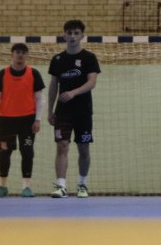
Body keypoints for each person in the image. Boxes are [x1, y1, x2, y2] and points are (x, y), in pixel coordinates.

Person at [48, 19, 101, 198]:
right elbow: (53, 86)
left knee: (83, 149)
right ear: (64, 35)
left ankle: (82, 184)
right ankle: (61, 186)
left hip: (83, 112)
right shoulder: (57, 60)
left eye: (76, 33)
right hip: (63, 111)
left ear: (82, 36)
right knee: (62, 146)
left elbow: (92, 82)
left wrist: (73, 93)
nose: (72, 36)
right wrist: (50, 110)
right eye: (69, 33)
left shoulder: (89, 58)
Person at [0, 43, 46, 197]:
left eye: (23, 52)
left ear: (26, 55)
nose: (20, 55)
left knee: (27, 151)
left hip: (27, 122)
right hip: (6, 121)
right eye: (17, 52)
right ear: (12, 55)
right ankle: (3, 186)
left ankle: (26, 187)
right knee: (4, 152)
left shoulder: (34, 73)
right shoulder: (2, 73)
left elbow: (40, 99)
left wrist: (38, 119)